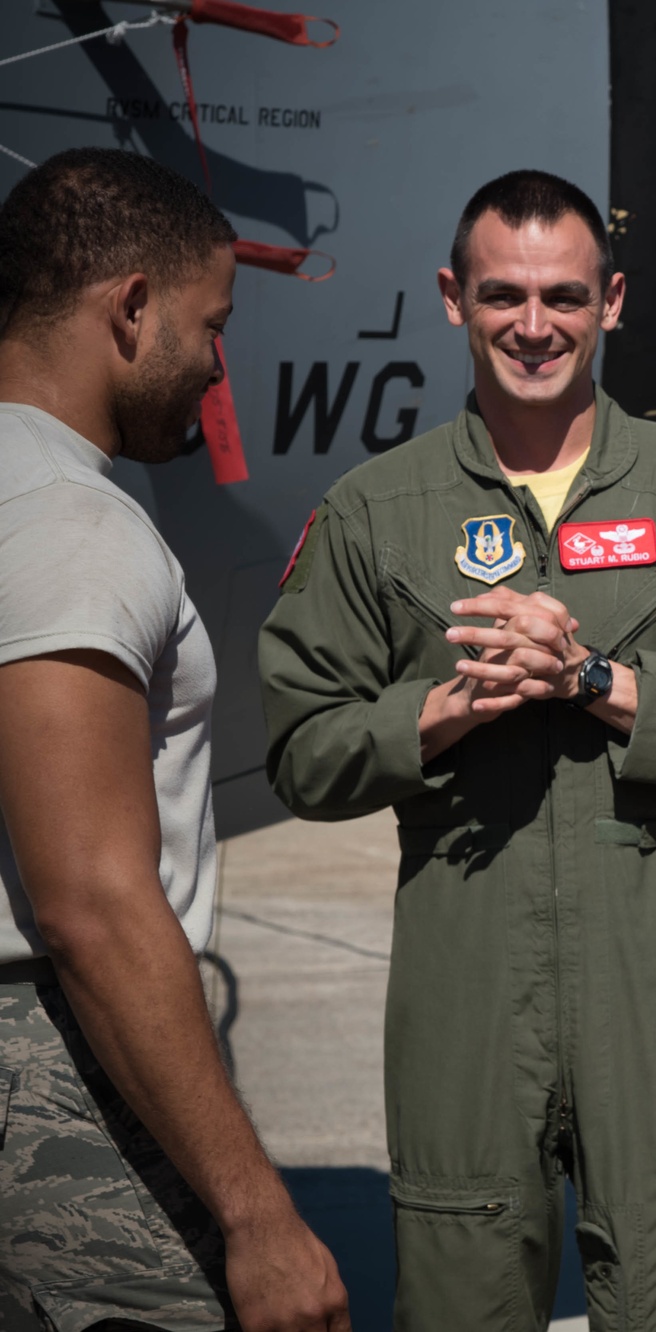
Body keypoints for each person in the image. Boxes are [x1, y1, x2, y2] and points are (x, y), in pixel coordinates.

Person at [258, 170, 656, 1332]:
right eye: (503, 295)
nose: (534, 327)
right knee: (462, 1296)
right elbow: (301, 749)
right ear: (453, 298)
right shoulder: (374, 511)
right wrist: (447, 706)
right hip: (465, 987)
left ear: (613, 301)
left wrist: (595, 681)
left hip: (654, 984)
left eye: (564, 296)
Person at [0, 150, 349, 1331]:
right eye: (211, 324)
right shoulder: (73, 526)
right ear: (131, 309)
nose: (215, 364)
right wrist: (259, 1220)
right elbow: (92, 902)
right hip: (60, 1077)